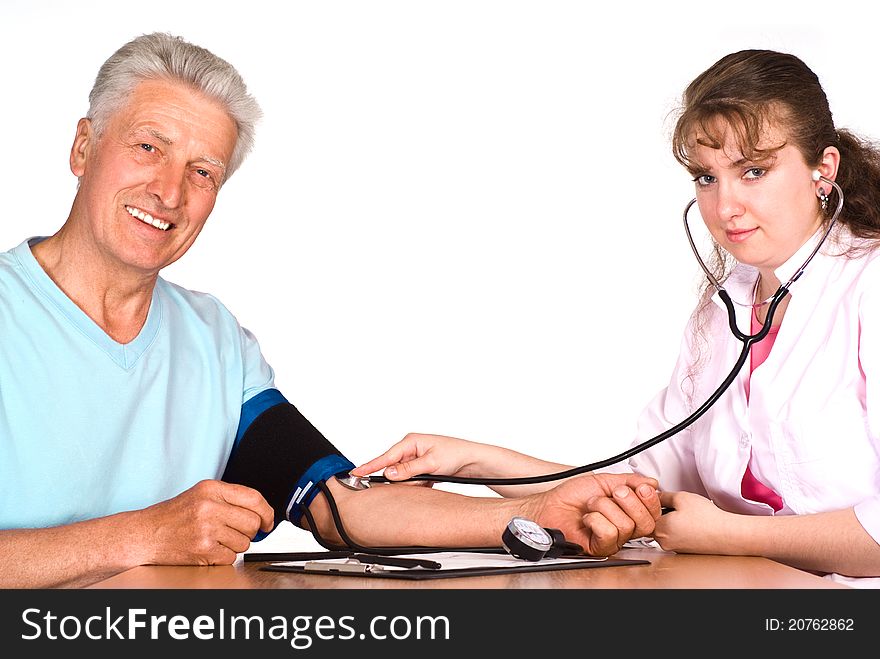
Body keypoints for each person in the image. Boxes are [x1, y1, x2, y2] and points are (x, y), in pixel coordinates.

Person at [0, 32, 664, 589]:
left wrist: (536, 509)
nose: (170, 190)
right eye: (149, 146)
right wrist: (140, 534)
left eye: (203, 171)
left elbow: (338, 504)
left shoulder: (212, 340)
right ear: (83, 147)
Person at [353, 49, 880, 585]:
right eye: (705, 178)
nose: (725, 207)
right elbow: (641, 491)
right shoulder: (724, 309)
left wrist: (730, 535)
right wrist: (477, 462)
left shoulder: (870, 288)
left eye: (753, 171)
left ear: (824, 169)